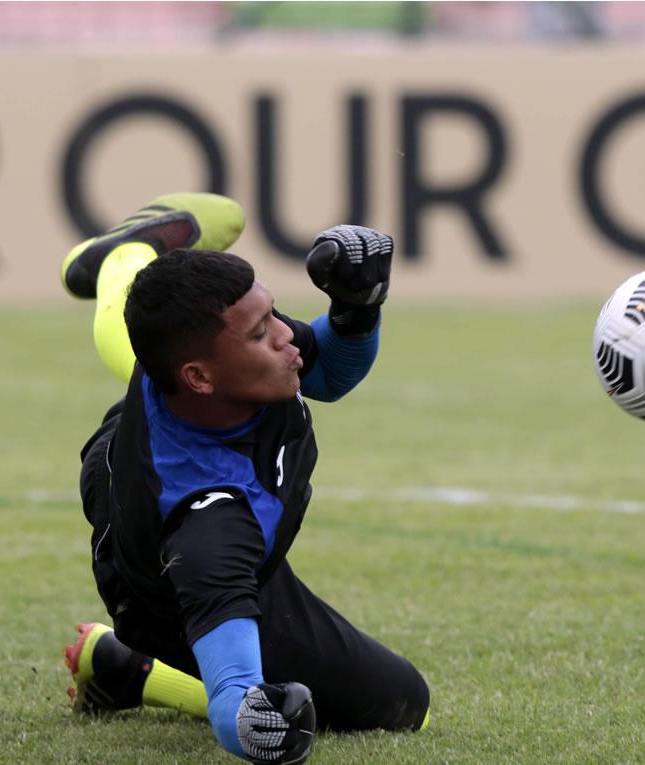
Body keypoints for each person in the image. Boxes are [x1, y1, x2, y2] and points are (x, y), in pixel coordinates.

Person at [58, 193, 430, 763]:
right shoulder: (213, 530)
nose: (286, 335)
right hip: (163, 590)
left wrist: (357, 307)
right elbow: (236, 696)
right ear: (202, 377)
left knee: (140, 342)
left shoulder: (219, 368)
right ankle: (125, 666)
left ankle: (125, 257)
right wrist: (257, 725)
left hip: (147, 441)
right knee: (403, 702)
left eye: (273, 313)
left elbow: (330, 370)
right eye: (260, 333)